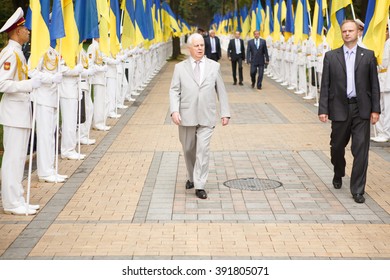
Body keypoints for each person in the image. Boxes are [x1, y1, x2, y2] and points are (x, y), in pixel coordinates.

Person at [318, 20, 381, 204]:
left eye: (350, 30)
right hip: (339, 108)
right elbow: (326, 85)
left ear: (358, 32)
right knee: (337, 147)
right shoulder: (331, 56)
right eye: (344, 31)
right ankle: (339, 171)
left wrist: (375, 109)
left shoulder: (368, 56)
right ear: (341, 33)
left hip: (361, 109)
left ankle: (357, 190)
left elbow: (374, 85)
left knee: (361, 150)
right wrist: (323, 109)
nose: (347, 34)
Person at [169, 33, 230, 199]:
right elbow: (174, 90)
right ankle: (191, 177)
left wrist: (225, 112)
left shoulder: (213, 66)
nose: (200, 48)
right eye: (196, 46)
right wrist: (174, 110)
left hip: (207, 115)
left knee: (203, 151)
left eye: (202, 45)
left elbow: (221, 91)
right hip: (186, 115)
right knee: (188, 149)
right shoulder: (180, 68)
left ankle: (199, 184)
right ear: (189, 48)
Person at [0, 7, 41, 215]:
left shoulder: (17, 53)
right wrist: (28, 86)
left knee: (17, 159)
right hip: (14, 114)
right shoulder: (10, 54)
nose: (28, 31)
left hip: (20, 112)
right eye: (25, 28)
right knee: (13, 159)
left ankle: (17, 198)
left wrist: (30, 84)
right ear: (17, 31)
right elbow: (2, 84)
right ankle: (10, 202)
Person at [372, 26, 390, 143]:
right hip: (380, 78)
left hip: (387, 79)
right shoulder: (380, 43)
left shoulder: (388, 43)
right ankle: (381, 131)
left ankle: (386, 132)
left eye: (386, 30)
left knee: (387, 109)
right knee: (380, 107)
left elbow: (384, 63)